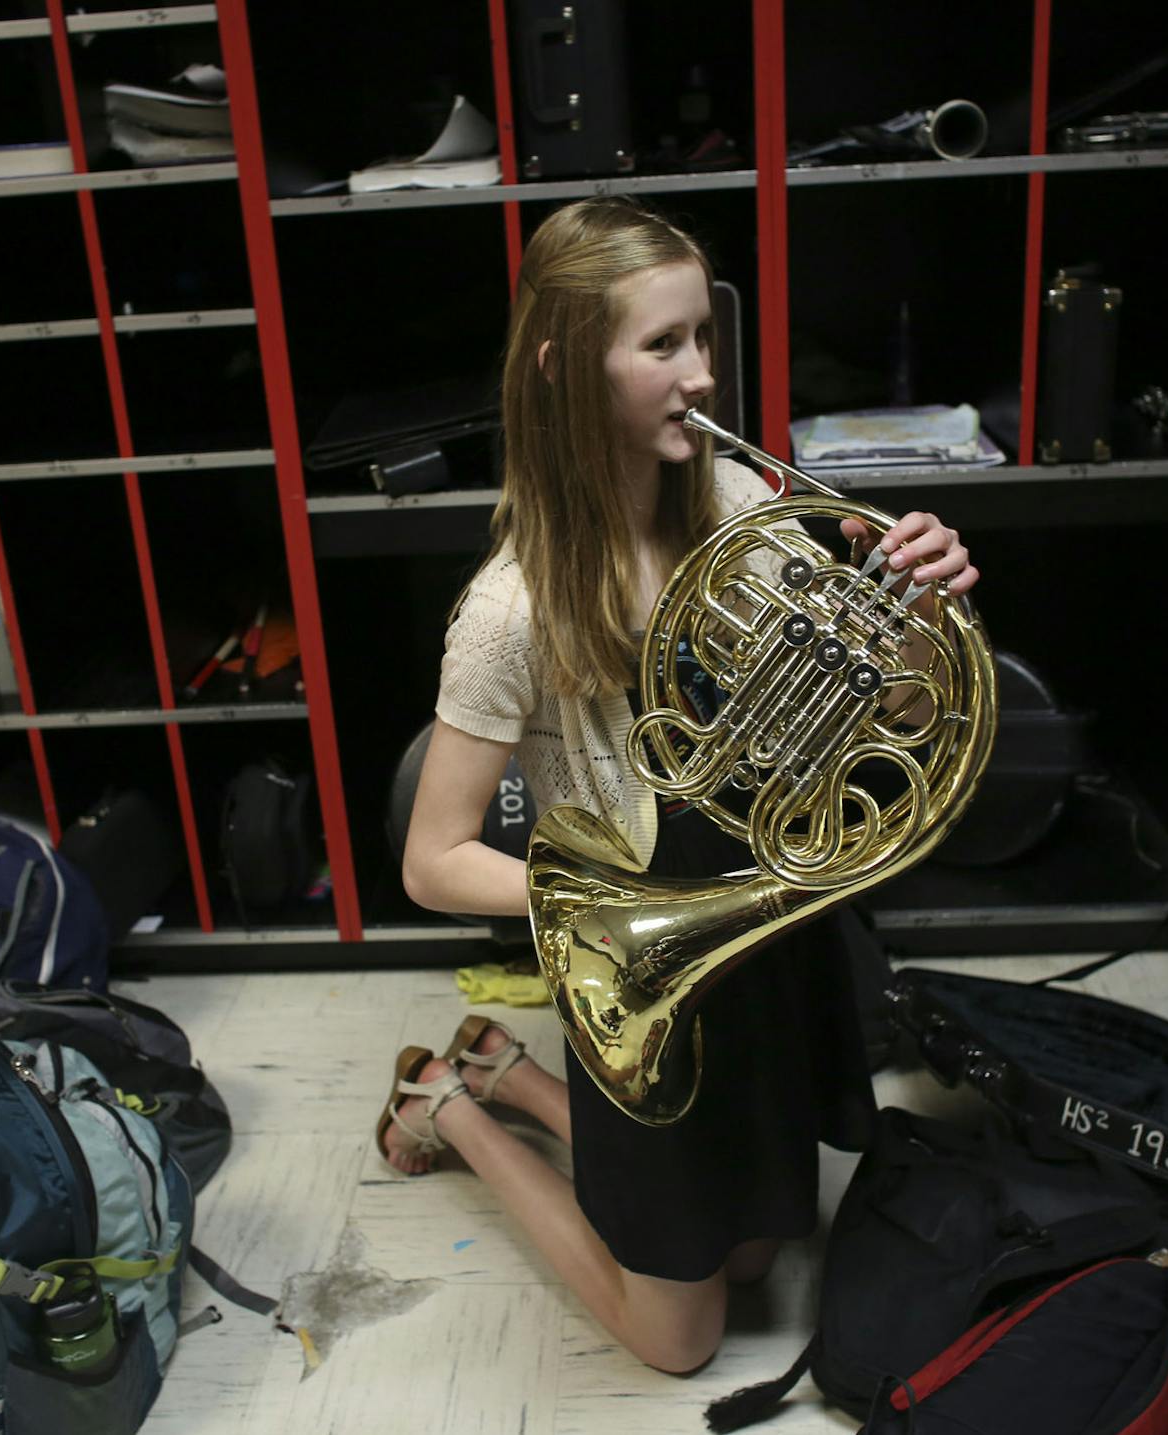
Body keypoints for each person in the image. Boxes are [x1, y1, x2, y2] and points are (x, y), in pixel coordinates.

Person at [379, 196, 979, 1374]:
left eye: (703, 337)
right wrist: (605, 908)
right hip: (642, 946)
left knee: (754, 1257)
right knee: (680, 1342)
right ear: (562, 369)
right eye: (662, 346)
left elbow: (899, 716)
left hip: (762, 932)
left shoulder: (746, 514)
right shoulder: (512, 607)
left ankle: (513, 1078)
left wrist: (921, 621)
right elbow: (432, 857)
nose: (702, 375)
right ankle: (449, 1106)